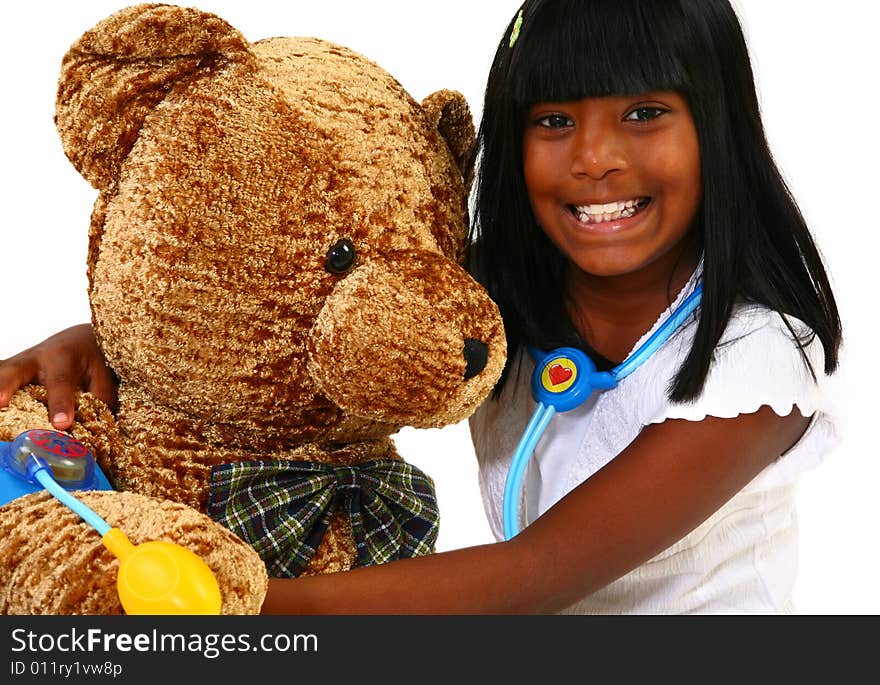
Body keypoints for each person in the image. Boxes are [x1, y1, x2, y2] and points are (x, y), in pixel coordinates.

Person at [0, 0, 841, 613]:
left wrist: (220, 608)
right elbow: (293, 316)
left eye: (645, 113)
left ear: (720, 129)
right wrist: (103, 343)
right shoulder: (502, 308)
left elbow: (532, 576)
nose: (594, 158)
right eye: (553, 120)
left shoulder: (756, 360)